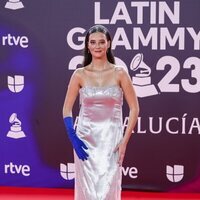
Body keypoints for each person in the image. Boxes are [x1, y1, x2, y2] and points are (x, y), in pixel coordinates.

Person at [62, 24, 139, 200]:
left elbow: (135, 108)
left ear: (109, 44)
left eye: (101, 42)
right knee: (87, 190)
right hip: (84, 139)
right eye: (93, 42)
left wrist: (124, 142)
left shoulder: (120, 73)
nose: (97, 46)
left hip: (111, 140)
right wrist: (73, 137)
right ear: (88, 46)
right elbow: (66, 108)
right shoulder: (79, 74)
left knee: (108, 189)